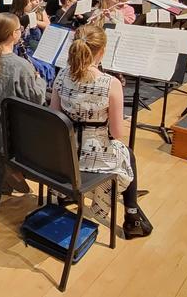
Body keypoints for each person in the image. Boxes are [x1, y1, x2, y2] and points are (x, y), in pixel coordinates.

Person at [49, 25, 152, 239]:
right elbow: (116, 133)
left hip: (64, 156)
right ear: (102, 51)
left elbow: (54, 117)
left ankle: (66, 195)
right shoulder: (110, 84)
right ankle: (131, 215)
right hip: (93, 159)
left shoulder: (62, 76)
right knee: (127, 154)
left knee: (123, 152)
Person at [0, 12, 43, 193]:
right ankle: (13, 170)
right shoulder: (20, 65)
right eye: (19, 29)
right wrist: (39, 80)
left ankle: (10, 171)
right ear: (14, 34)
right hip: (13, 130)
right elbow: (36, 99)